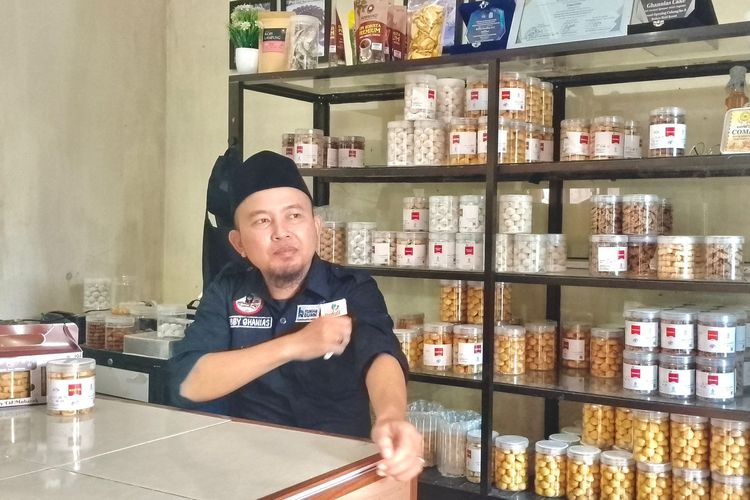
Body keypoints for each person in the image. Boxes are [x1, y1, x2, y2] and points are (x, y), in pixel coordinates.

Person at [170, 150, 424, 481]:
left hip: (334, 466)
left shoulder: (350, 288)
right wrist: (293, 345)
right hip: (246, 469)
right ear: (239, 243)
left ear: (316, 227)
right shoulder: (228, 290)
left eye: (294, 216)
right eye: (262, 221)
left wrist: (391, 416)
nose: (281, 232)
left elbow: (380, 353)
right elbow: (188, 383)